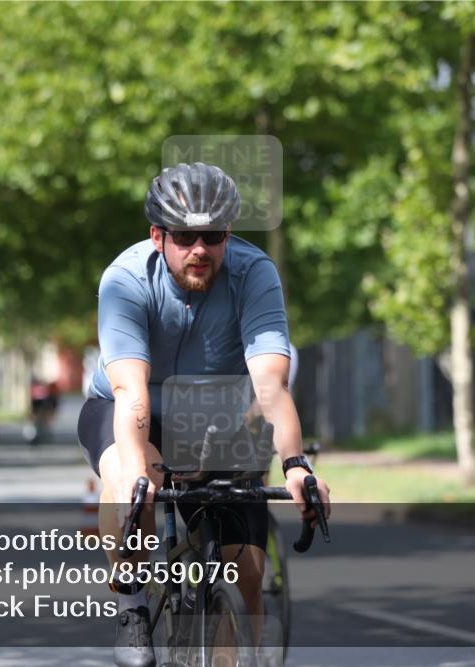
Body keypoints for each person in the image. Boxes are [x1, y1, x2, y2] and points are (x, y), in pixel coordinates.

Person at [77, 162, 330, 667]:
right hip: (125, 408)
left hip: (219, 415)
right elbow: (131, 394)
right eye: (185, 235)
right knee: (135, 480)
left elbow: (271, 384)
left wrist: (296, 465)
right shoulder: (125, 280)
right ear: (158, 235)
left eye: (211, 235)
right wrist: (135, 473)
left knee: (249, 573)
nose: (199, 249)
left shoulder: (254, 273)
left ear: (227, 233)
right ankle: (132, 606)